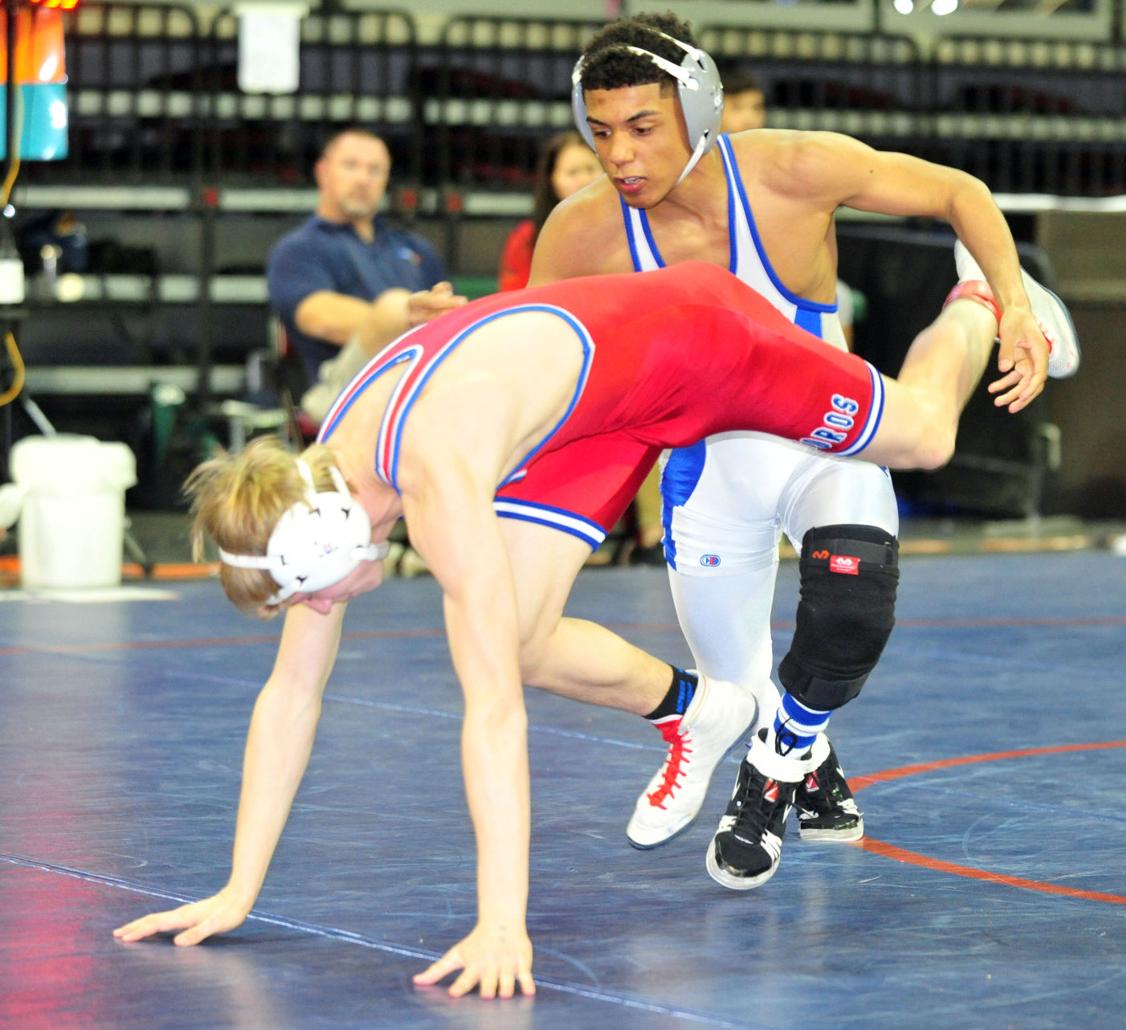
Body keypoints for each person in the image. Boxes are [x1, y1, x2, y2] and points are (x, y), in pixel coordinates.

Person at [110, 260, 1076, 999]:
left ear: (330, 538)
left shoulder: (434, 478)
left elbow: (491, 714)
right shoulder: (318, 479)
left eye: (313, 596)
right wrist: (238, 890)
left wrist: (502, 924)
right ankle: (697, 712)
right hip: (588, 418)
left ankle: (980, 299)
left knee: (924, 433)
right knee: (519, 635)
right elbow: (290, 693)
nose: (321, 613)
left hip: (696, 344)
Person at [531, 13, 1080, 889]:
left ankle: (771, 777)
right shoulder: (580, 231)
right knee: (742, 691)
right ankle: (811, 766)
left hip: (828, 438)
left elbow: (961, 191)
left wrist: (1016, 302)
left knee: (854, 604)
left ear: (698, 108)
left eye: (642, 127)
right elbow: (540, 356)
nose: (620, 156)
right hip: (707, 471)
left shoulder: (790, 169)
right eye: (600, 132)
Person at [266, 127, 466, 420]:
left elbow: (452, 310)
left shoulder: (413, 246)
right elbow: (321, 319)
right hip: (342, 387)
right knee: (393, 306)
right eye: (351, 166)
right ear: (323, 172)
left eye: (374, 170)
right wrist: (403, 319)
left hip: (422, 375)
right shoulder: (298, 248)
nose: (363, 179)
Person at [497, 130, 601, 292]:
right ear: (551, 180)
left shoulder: (626, 228)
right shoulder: (526, 238)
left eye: (590, 169)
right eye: (572, 172)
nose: (584, 180)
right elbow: (516, 297)